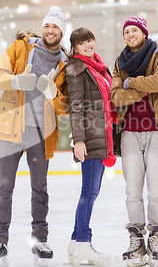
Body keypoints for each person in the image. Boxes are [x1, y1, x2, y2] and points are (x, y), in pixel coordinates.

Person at [0, 6, 69, 266]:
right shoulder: (21, 48)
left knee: (39, 189)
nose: (50, 30)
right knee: (4, 188)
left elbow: (65, 106)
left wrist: (53, 94)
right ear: (42, 28)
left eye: (55, 27)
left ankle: (39, 240)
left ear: (61, 32)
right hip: (11, 127)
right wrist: (15, 81)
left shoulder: (66, 63)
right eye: (47, 26)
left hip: (41, 133)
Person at [110, 17, 158, 267]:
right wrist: (146, 89)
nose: (130, 34)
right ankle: (136, 238)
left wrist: (132, 83)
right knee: (132, 192)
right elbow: (116, 97)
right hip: (129, 133)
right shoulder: (119, 62)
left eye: (134, 30)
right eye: (126, 31)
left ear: (144, 33)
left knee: (156, 190)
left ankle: (156, 235)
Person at [65, 28, 116, 266]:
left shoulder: (98, 67)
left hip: (102, 137)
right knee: (89, 193)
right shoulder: (77, 70)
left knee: (91, 192)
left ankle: (76, 243)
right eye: (81, 42)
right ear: (74, 48)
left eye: (89, 40)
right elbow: (75, 107)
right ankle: (84, 242)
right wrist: (79, 139)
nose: (88, 45)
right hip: (90, 139)